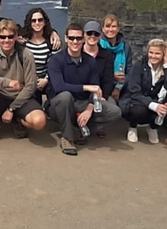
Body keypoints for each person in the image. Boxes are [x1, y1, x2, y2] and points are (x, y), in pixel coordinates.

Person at [46, 22, 121, 156]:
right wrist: (86, 87)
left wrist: (89, 108)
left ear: (83, 39)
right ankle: (67, 138)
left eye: (78, 38)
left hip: (82, 103)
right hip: (58, 104)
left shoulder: (90, 61)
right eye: (71, 38)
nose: (75, 42)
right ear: (66, 38)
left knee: (114, 111)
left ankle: (77, 128)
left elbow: (95, 89)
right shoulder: (56, 60)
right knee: (65, 96)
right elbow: (59, 87)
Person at [0, 19, 45, 146]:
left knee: (39, 122)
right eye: (2, 37)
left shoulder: (26, 54)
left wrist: (11, 109)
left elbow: (30, 86)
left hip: (20, 98)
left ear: (16, 37)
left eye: (10, 36)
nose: (6, 40)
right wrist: (7, 83)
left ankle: (18, 119)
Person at [122, 39, 167, 144]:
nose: (153, 56)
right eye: (151, 52)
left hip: (156, 100)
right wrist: (153, 105)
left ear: (163, 55)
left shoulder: (166, 68)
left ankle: (152, 127)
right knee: (138, 112)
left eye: (157, 53)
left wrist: (166, 65)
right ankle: (133, 127)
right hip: (136, 100)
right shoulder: (139, 65)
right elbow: (134, 91)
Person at [82, 20, 116, 136]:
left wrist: (104, 96)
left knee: (114, 109)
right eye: (89, 33)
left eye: (96, 34)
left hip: (99, 92)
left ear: (100, 36)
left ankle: (93, 124)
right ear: (84, 35)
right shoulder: (77, 52)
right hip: (81, 91)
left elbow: (108, 79)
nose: (92, 36)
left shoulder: (106, 55)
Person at [20, 7, 59, 103]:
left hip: (47, 79)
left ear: (45, 22)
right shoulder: (23, 42)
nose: (37, 23)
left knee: (56, 93)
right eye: (33, 20)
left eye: (40, 20)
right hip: (28, 80)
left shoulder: (52, 42)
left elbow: (55, 65)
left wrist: (46, 79)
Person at [100, 14, 133, 101]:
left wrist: (118, 87)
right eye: (107, 26)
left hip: (122, 87)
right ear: (103, 29)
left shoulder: (126, 47)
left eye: (114, 26)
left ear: (118, 29)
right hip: (102, 87)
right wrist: (111, 76)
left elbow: (130, 71)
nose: (110, 29)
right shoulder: (98, 45)